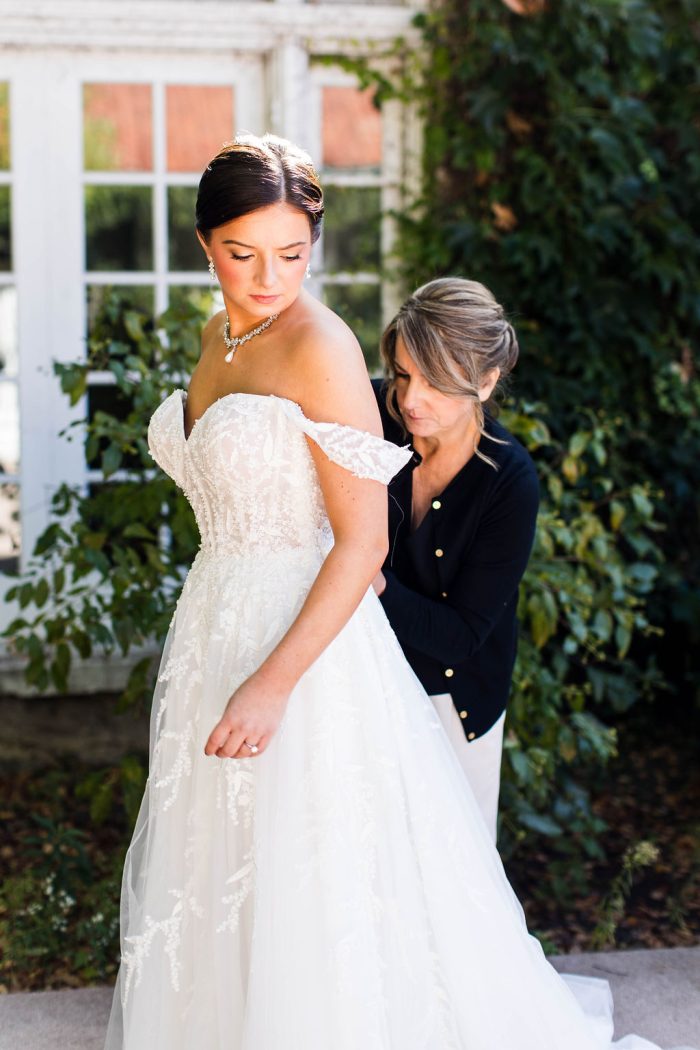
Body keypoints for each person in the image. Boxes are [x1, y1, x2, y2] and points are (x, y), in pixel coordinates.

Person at [104, 134, 688, 1050]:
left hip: (304, 653)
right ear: (204, 243)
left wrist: (271, 681)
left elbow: (363, 539)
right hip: (216, 621)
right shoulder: (217, 335)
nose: (268, 278)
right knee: (224, 873)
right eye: (243, 252)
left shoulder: (324, 347)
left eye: (293, 254)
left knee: (322, 883)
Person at [371, 278, 539, 841]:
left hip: (453, 708)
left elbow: (464, 634)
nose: (411, 399)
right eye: (403, 373)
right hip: (360, 686)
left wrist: (370, 581)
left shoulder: (508, 482)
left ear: (487, 381)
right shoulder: (371, 414)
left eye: (436, 383)